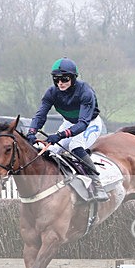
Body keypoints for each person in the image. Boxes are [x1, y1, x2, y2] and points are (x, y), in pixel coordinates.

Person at [27, 57, 108, 202]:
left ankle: (97, 184)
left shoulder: (85, 92)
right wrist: (32, 132)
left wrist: (59, 135)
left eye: (64, 79)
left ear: (73, 78)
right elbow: (40, 115)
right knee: (49, 151)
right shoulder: (51, 93)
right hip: (69, 123)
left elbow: (83, 124)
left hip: (90, 123)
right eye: (56, 79)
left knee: (75, 146)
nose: (60, 83)